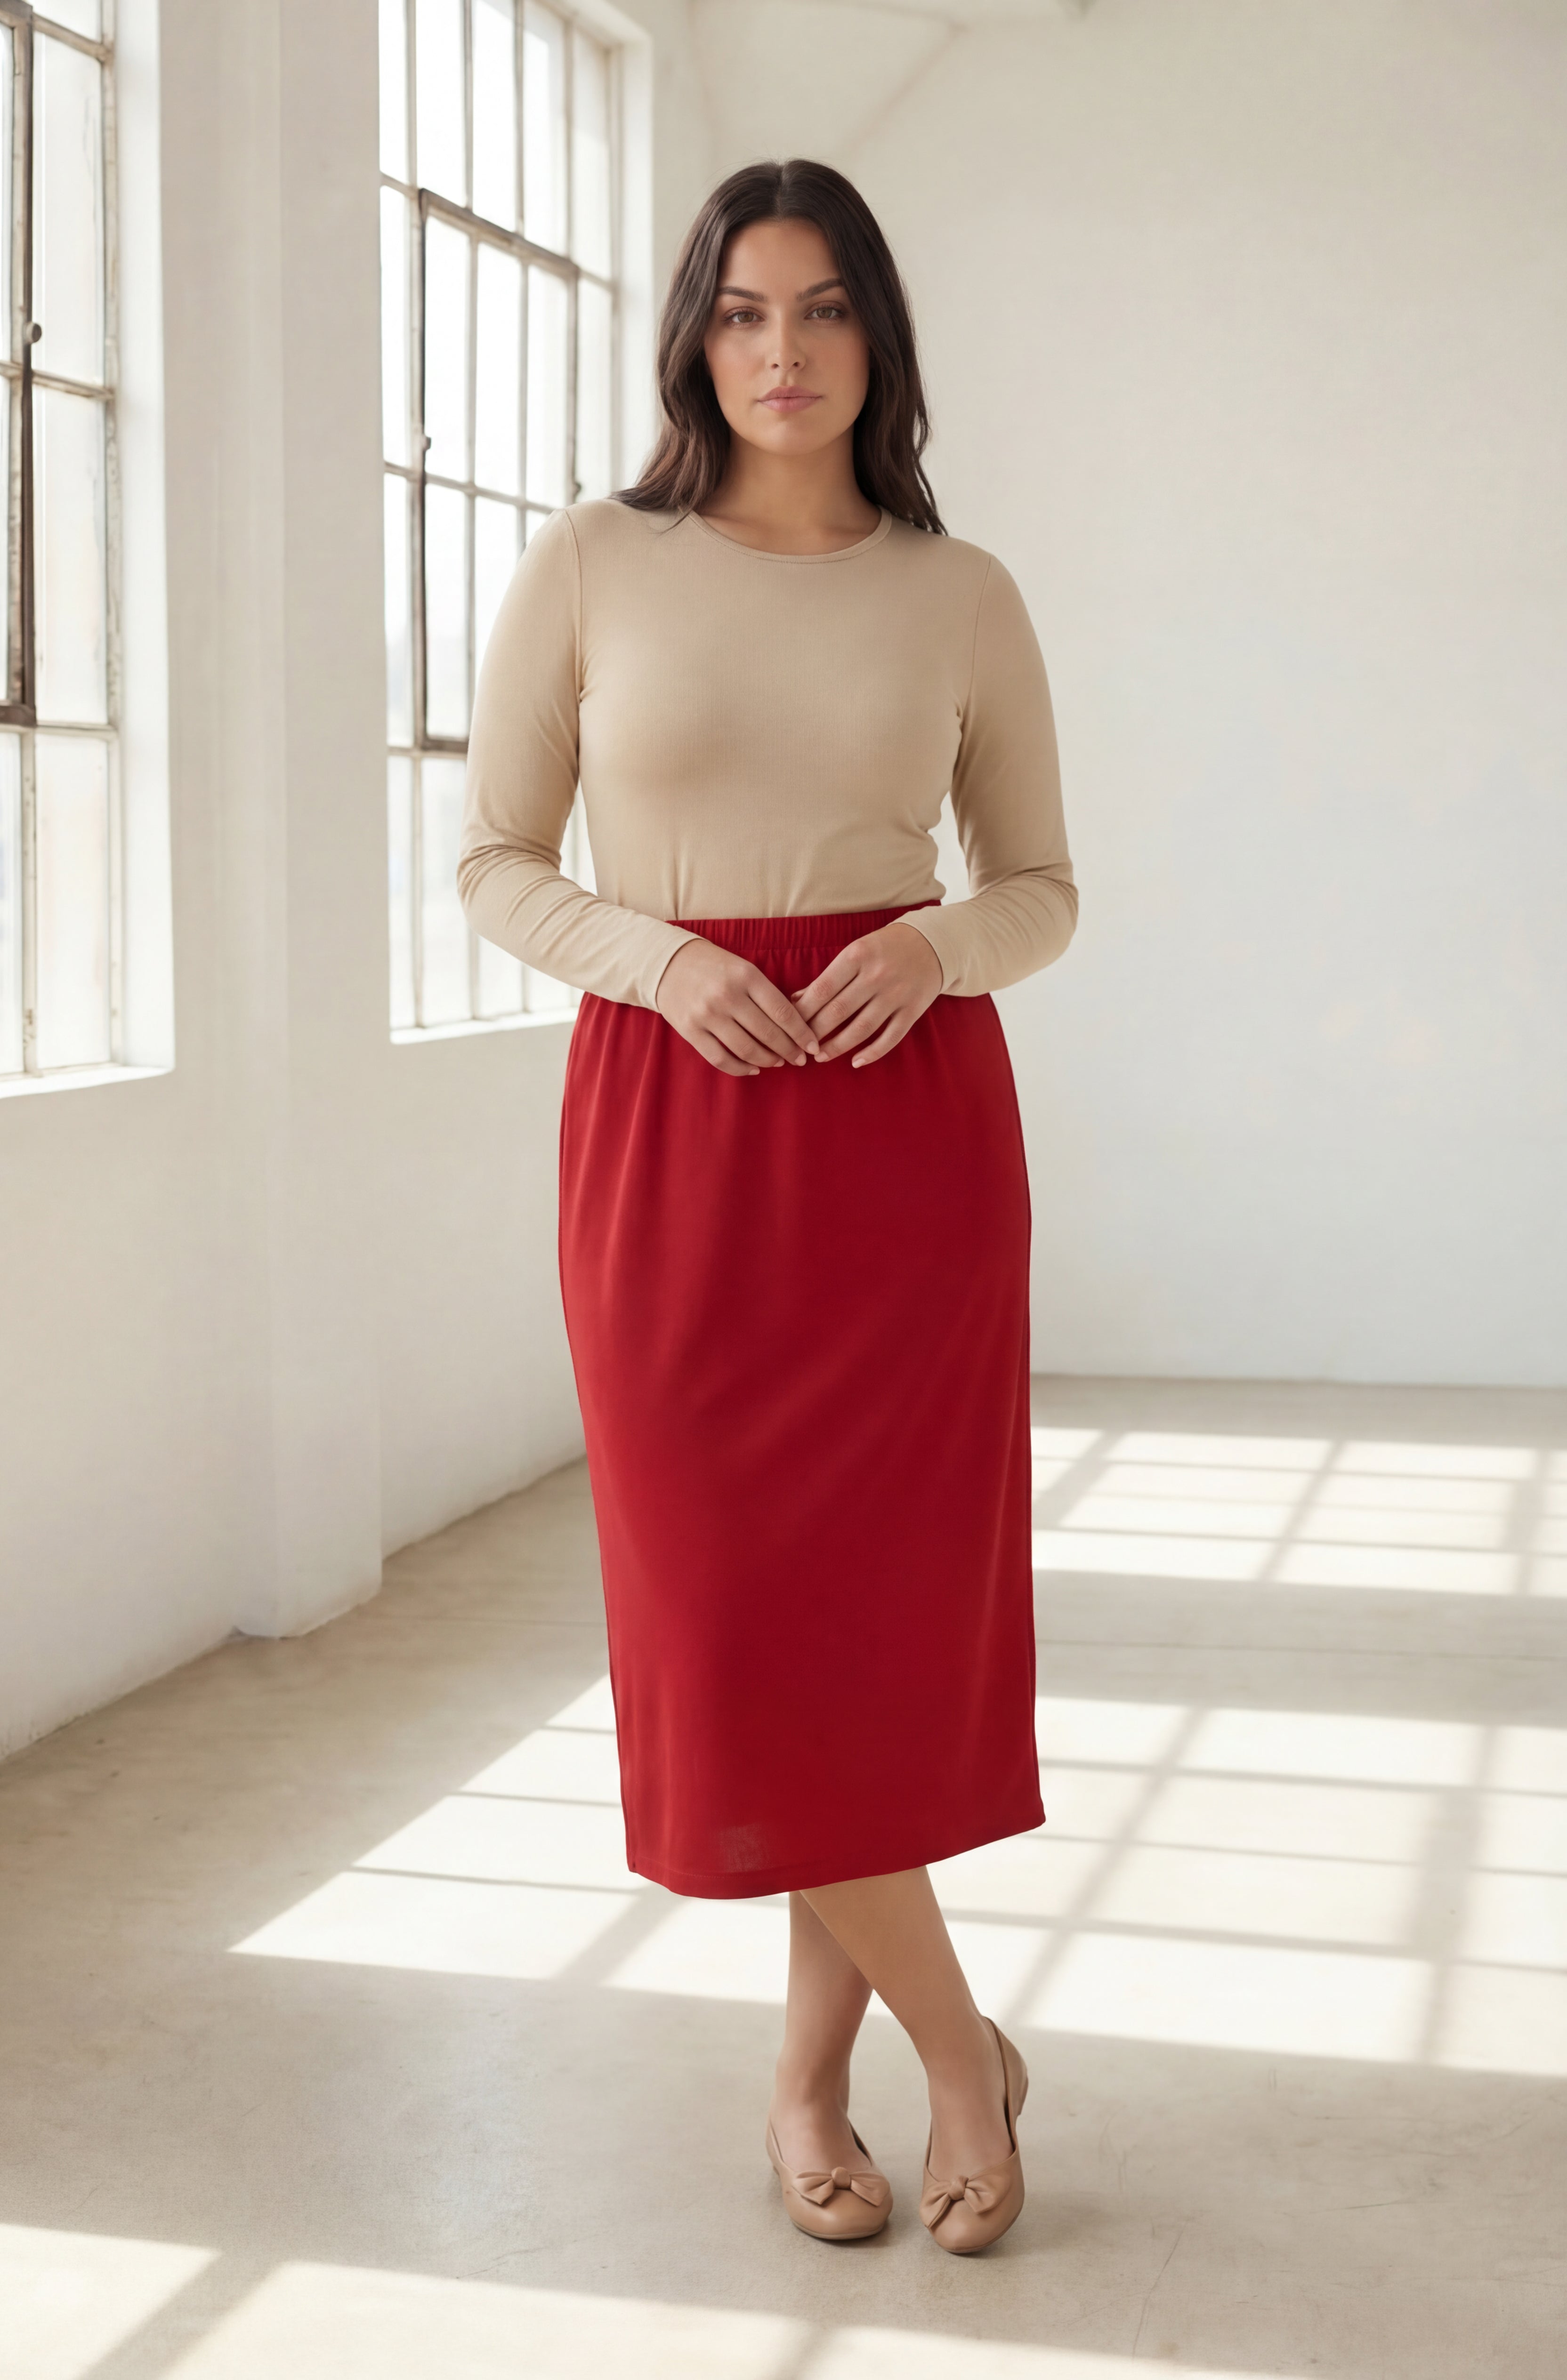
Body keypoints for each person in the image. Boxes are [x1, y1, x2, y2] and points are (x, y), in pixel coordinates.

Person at [458, 158, 1076, 2256]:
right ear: (692, 335)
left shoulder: (958, 587)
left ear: (876, 338)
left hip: (903, 1140)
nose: (782, 351)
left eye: (821, 312)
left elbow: (1039, 883)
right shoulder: (591, 563)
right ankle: (963, 2049)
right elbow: (489, 857)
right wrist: (654, 957)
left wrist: (938, 947)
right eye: (742, 312)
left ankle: (809, 2080)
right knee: (735, 1625)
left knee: (873, 1646)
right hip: (674, 1128)